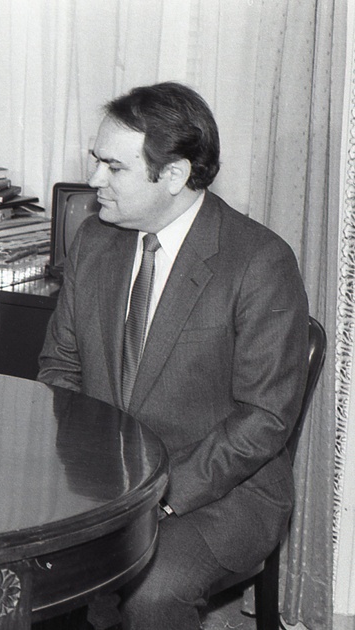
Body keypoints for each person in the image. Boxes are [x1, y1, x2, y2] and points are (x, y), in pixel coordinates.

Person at [37, 82, 309, 629]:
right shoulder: (94, 241)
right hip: (103, 479)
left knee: (151, 589)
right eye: (96, 161)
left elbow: (264, 419)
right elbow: (60, 369)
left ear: (175, 175)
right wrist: (83, 480)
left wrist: (160, 496)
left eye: (114, 167)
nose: (94, 180)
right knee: (18, 562)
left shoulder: (258, 261)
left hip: (221, 491)